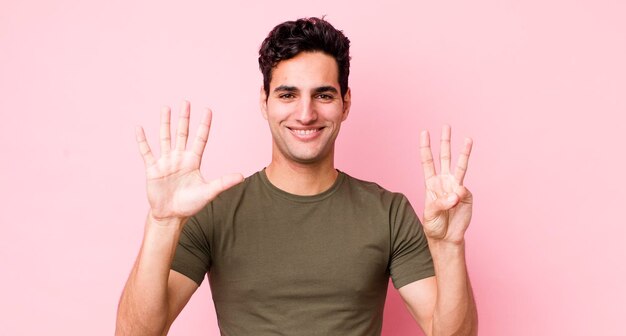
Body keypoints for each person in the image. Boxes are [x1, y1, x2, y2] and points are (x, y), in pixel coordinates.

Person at [116, 17, 478, 335]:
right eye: (288, 94)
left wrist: (449, 248)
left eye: (323, 95)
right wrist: (162, 223)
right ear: (265, 102)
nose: (305, 114)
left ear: (345, 103)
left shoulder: (388, 212)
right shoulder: (214, 211)